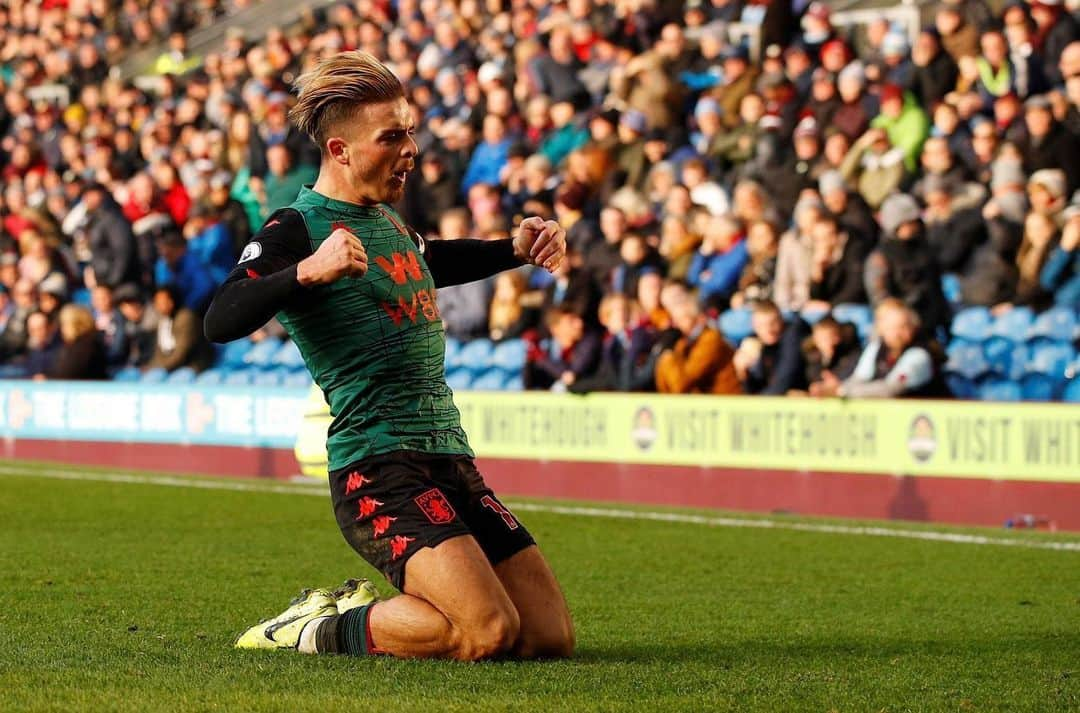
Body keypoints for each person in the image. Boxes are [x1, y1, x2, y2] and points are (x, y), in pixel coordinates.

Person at [203, 52, 573, 661]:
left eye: (411, 131)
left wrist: (513, 249)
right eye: (392, 136)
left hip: (447, 456)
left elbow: (433, 260)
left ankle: (383, 615)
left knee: (548, 638)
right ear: (340, 151)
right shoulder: (296, 227)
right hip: (378, 466)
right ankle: (317, 628)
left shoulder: (387, 221)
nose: (411, 149)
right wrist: (304, 272)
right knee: (487, 633)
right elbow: (221, 317)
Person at [811, 299, 947, 398]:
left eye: (905, 327)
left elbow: (891, 389)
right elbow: (859, 378)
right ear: (881, 329)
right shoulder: (877, 348)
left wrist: (842, 391)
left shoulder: (919, 355)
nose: (900, 334)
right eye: (893, 328)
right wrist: (835, 388)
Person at [654, 283, 740, 394]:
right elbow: (665, 385)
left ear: (699, 318)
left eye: (682, 319)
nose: (677, 325)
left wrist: (668, 357)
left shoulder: (711, 339)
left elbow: (683, 384)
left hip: (725, 405)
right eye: (676, 320)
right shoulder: (683, 343)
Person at [733, 300, 808, 395]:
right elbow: (755, 389)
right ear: (754, 326)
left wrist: (757, 403)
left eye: (773, 323)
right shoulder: (757, 344)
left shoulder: (793, 335)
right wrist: (744, 374)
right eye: (761, 325)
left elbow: (784, 381)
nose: (768, 330)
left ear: (781, 321)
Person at [147, 285, 215, 373]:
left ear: (172, 301)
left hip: (194, 365)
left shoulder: (186, 318)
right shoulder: (163, 320)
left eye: (162, 301)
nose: (159, 305)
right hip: (174, 366)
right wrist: (153, 366)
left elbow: (181, 353)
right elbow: (159, 352)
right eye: (157, 302)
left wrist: (161, 367)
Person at [47, 304, 107, 380]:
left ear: (77, 324)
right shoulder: (71, 345)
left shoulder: (87, 346)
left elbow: (69, 373)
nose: (62, 329)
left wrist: (48, 378)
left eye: (65, 324)